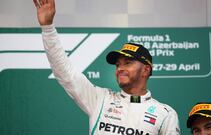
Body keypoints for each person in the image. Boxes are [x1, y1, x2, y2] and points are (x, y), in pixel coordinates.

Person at [33, 0, 181, 134]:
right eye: (118, 65)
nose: (120, 68)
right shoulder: (100, 99)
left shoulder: (165, 114)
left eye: (128, 63)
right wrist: (48, 28)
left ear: (146, 70)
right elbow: (65, 72)